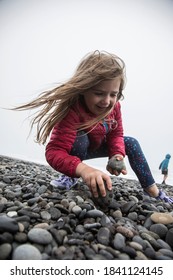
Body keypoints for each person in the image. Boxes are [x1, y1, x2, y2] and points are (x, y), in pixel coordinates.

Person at [13, 50, 173, 203]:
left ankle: (152, 190)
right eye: (99, 93)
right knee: (80, 137)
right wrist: (83, 169)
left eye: (113, 94)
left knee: (130, 142)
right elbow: (54, 151)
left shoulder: (114, 107)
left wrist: (116, 154)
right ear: (83, 89)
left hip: (96, 145)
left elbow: (116, 134)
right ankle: (70, 176)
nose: (107, 101)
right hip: (77, 148)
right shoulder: (73, 109)